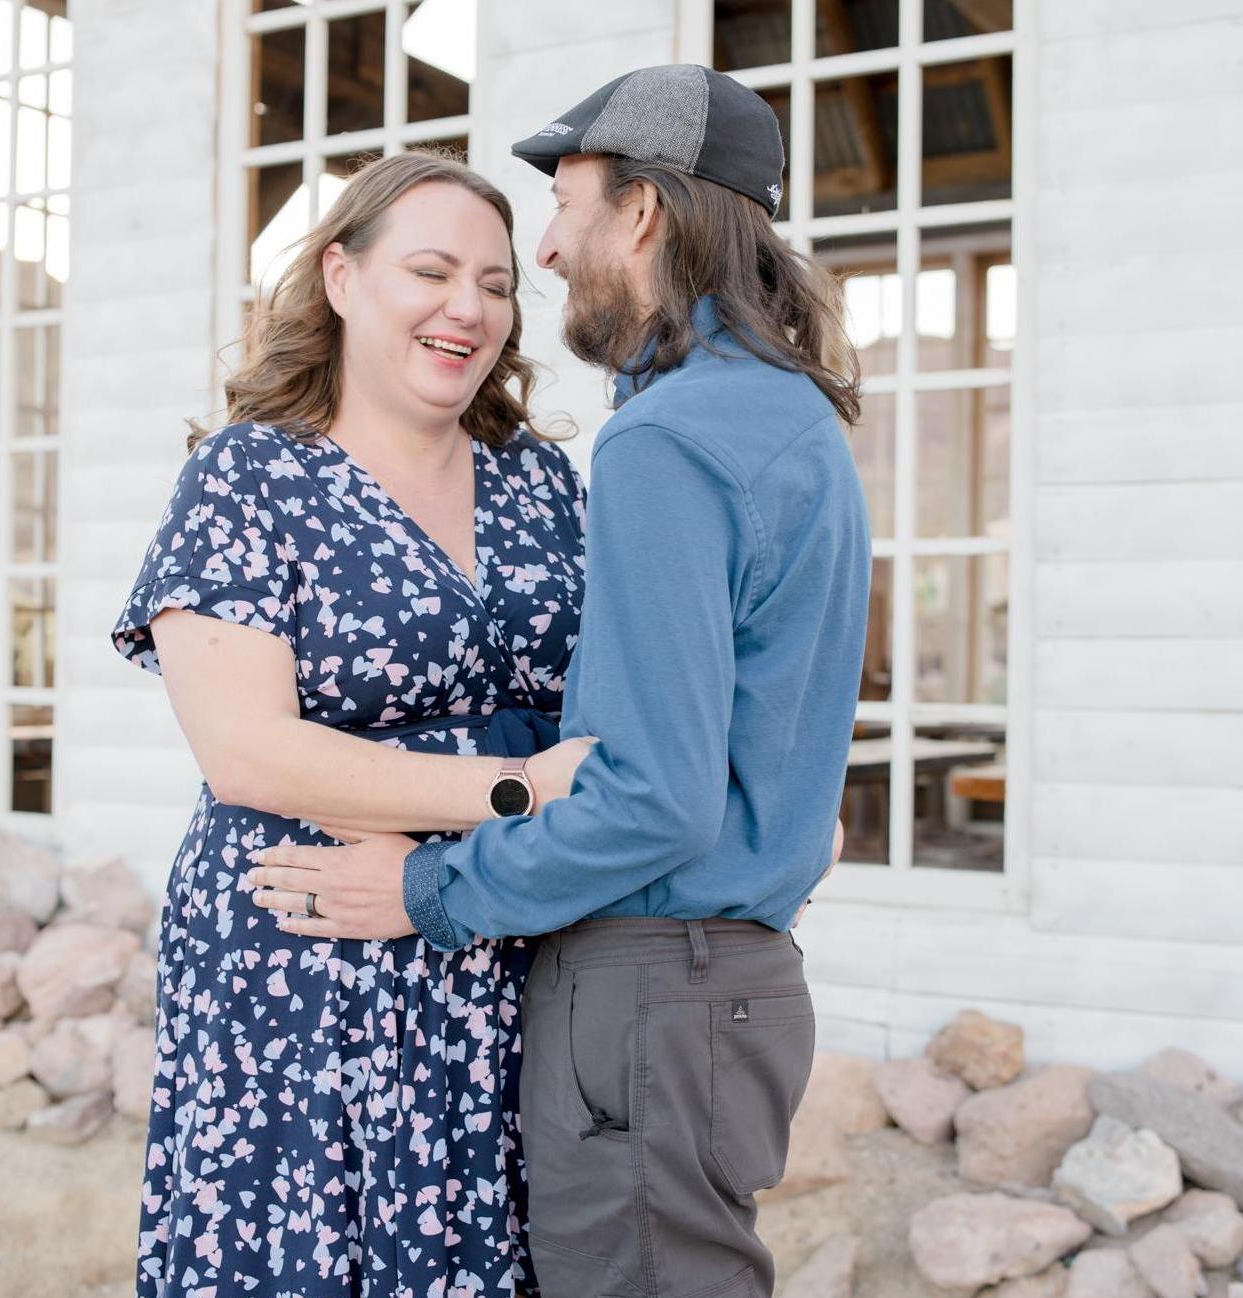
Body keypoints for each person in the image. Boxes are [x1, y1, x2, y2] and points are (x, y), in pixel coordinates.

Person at [250, 65, 871, 1298]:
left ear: (640, 213)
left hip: (648, 981)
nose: (544, 250)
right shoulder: (793, 417)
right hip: (734, 985)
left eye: (567, 206)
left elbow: (652, 799)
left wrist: (429, 886)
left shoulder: (663, 440)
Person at [111, 152, 594, 1298]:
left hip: (501, 942)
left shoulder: (540, 483)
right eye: (428, 270)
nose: (466, 307)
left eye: (494, 281)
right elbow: (247, 751)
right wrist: (519, 791)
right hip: (304, 959)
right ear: (338, 275)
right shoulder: (249, 477)